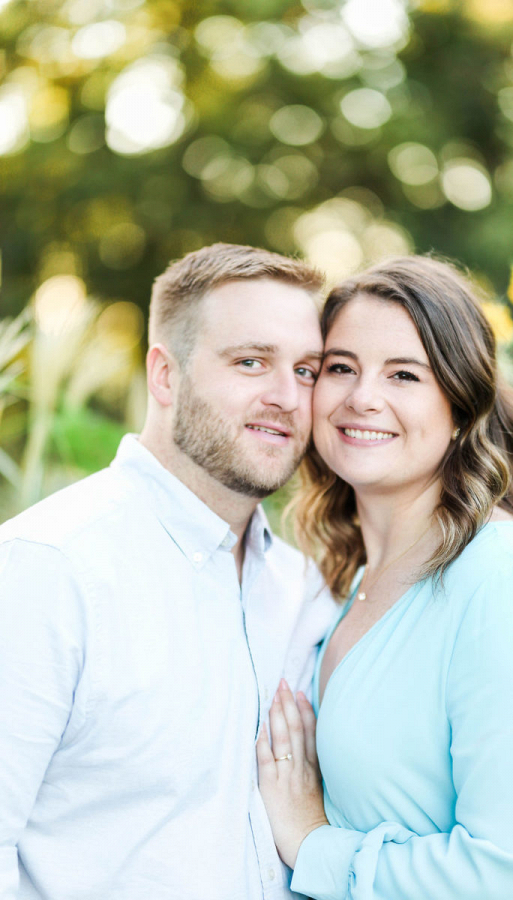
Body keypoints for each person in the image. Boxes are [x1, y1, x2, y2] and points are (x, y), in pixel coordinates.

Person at [0, 243, 337, 900]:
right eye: (251, 362)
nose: (286, 397)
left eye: (306, 370)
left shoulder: (308, 591)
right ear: (164, 375)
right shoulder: (46, 571)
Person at [257, 255, 513, 898]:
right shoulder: (347, 582)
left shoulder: (500, 580)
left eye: (404, 374)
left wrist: (311, 843)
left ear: (462, 408)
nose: (363, 397)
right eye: (340, 368)